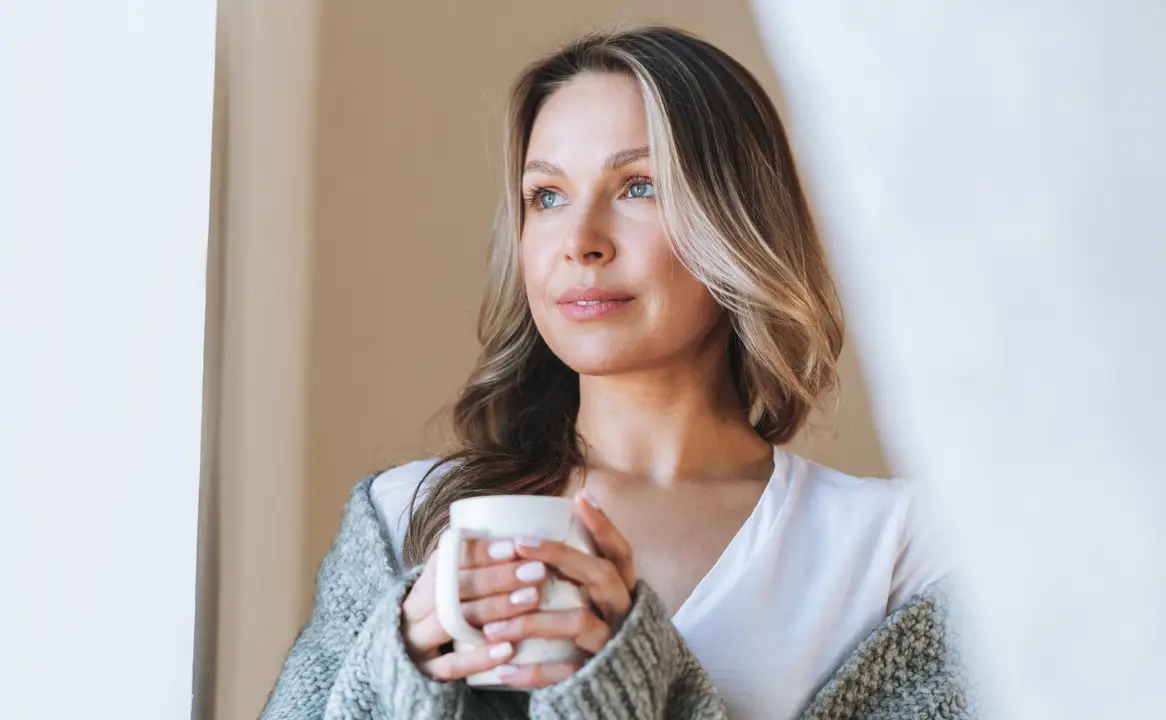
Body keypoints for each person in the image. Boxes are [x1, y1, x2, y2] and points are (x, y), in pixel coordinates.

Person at [263, 26, 971, 720]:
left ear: (736, 218)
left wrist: (619, 685)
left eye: (638, 186)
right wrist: (394, 682)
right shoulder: (402, 517)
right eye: (547, 197)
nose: (580, 242)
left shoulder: (898, 553)